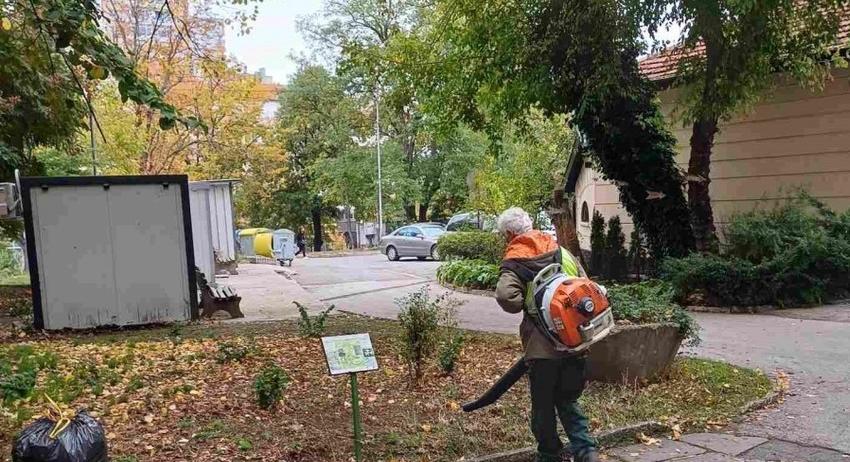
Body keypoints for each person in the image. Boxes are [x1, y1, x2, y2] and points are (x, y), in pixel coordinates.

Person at [494, 207, 598, 462]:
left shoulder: (515, 262)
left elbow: (507, 298)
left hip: (542, 349)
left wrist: (530, 303)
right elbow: (585, 286)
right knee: (568, 398)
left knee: (542, 404)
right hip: (574, 342)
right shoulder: (562, 252)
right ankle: (585, 449)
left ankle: (549, 454)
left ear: (509, 234)